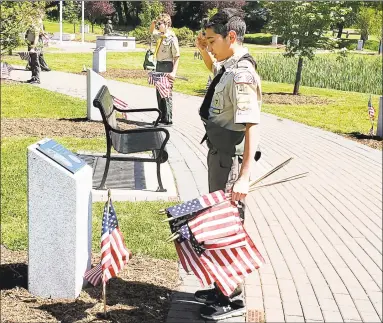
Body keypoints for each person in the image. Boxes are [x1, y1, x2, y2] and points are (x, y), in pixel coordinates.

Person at [194, 8, 262, 321]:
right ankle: (222, 287)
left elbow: (252, 126)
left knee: (228, 228)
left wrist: (244, 177)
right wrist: (204, 50)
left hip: (230, 163)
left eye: (212, 40)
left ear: (231, 37)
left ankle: (232, 299)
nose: (209, 45)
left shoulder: (242, 74)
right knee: (217, 224)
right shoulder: (229, 67)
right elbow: (214, 69)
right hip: (219, 157)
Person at [149, 13, 180, 126]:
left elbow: (177, 56)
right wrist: (153, 23)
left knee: (166, 93)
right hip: (159, 65)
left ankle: (168, 119)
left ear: (167, 24)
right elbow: (151, 31)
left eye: (160, 24)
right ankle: (161, 117)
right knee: (159, 93)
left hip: (167, 66)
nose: (158, 26)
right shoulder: (160, 36)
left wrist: (173, 72)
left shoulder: (172, 38)